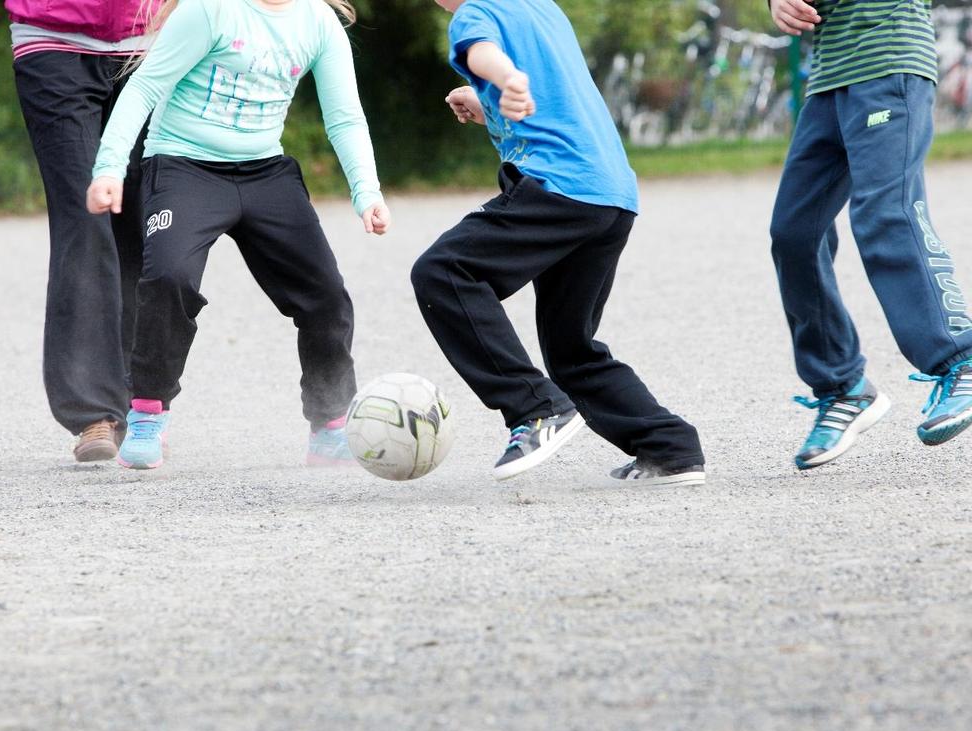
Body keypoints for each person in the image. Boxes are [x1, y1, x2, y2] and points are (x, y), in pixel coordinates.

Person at [410, 0, 705, 485]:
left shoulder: (474, 13)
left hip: (559, 187)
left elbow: (483, 51)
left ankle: (536, 409)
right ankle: (669, 447)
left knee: (443, 271)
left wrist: (502, 78)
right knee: (570, 347)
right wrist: (490, 104)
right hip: (608, 195)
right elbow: (553, 99)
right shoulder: (542, 8)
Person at [86, 0, 390, 470]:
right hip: (184, 166)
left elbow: (345, 116)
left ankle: (330, 424)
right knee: (169, 279)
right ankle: (147, 413)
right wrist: (109, 169)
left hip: (266, 171)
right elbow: (145, 87)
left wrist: (366, 192)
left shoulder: (317, 22)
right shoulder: (210, 11)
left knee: (325, 295)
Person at [0, 0, 161, 462]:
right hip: (52, 45)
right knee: (84, 220)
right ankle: (92, 412)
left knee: (142, 227)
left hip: (148, 50)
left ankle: (140, 404)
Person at [769, 0, 972, 469]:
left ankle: (959, 359)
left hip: (890, 59)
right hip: (829, 78)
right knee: (794, 233)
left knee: (885, 212)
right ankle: (843, 388)